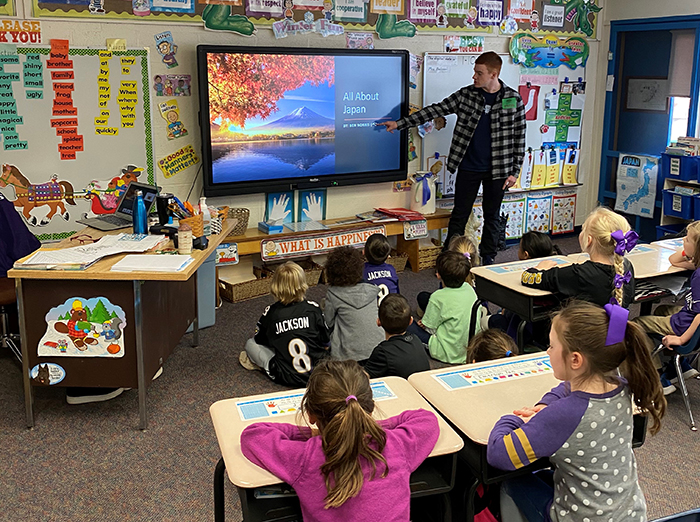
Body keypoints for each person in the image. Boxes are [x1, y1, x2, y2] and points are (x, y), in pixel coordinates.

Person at [487, 300, 665, 522]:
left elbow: (499, 454)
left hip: (580, 518)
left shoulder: (566, 414)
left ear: (575, 360)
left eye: (551, 346)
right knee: (544, 476)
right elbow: (568, 388)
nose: (548, 351)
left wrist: (512, 419)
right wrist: (544, 406)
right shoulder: (620, 385)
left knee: (511, 483)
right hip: (629, 514)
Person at [240, 360, 440, 522]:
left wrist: (313, 433)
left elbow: (253, 435)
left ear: (311, 415)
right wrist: (369, 427)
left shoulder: (305, 457)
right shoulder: (395, 444)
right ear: (369, 410)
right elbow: (426, 420)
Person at [379, 51, 526, 264]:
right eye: (474, 72)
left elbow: (520, 136)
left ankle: (487, 260)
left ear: (494, 74)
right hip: (469, 166)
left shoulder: (513, 99)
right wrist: (400, 124)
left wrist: (515, 171)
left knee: (492, 216)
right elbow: (435, 109)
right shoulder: (466, 95)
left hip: (500, 170)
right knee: (460, 214)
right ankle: (450, 258)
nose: (474, 77)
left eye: (479, 73)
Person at [520, 207, 636, 308]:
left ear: (588, 240)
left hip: (580, 331)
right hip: (615, 330)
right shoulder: (626, 266)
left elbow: (527, 278)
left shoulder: (578, 274)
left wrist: (540, 268)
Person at [633, 221, 700, 395]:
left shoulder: (699, 275)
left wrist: (682, 339)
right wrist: (688, 250)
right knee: (662, 310)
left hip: (687, 323)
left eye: (687, 239)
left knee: (636, 324)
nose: (682, 239)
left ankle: (657, 376)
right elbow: (673, 260)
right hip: (689, 316)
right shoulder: (698, 265)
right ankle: (679, 367)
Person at [240, 261, 330, 386]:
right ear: (303, 284)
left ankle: (261, 366)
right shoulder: (314, 309)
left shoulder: (271, 312)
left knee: (250, 344)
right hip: (318, 374)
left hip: (285, 376)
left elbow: (260, 340)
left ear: (275, 286)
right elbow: (325, 342)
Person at [407, 250, 480, 363]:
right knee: (424, 298)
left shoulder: (438, 297)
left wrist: (423, 324)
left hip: (447, 352)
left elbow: (430, 328)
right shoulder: (469, 288)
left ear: (438, 275)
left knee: (407, 323)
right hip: (470, 348)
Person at [325, 246, 385, 361]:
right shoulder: (371, 289)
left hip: (349, 357)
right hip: (378, 349)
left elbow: (328, 322)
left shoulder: (333, 294)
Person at [360, 294, 430, 379]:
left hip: (402, 389)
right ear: (411, 321)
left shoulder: (382, 351)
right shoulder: (416, 339)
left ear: (378, 322)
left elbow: (364, 378)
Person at [417, 234, 478, 314]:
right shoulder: (476, 282)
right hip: (471, 314)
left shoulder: (446, 276)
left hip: (448, 312)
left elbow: (442, 298)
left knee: (423, 297)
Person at [363, 233, 400, 301]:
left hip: (371, 309)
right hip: (392, 308)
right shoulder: (391, 269)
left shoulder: (362, 270)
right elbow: (397, 293)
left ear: (364, 252)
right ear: (388, 255)